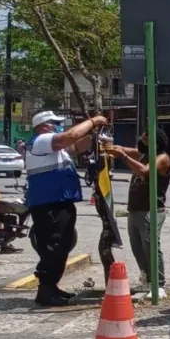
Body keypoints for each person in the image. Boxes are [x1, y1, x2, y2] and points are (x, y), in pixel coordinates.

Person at [26, 110, 107, 306]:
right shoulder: (41, 140)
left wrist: (95, 133)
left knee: (63, 244)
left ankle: (52, 287)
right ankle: (45, 291)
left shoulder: (54, 149)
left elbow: (76, 146)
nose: (59, 126)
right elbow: (69, 137)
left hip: (59, 202)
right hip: (48, 204)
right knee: (53, 246)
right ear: (45, 125)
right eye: (55, 123)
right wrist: (92, 120)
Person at [106, 129, 170, 298]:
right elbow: (122, 148)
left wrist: (124, 157)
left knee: (150, 246)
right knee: (137, 247)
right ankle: (148, 280)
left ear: (155, 143)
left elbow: (145, 171)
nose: (141, 141)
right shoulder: (142, 154)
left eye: (145, 139)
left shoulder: (161, 158)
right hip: (135, 209)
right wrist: (111, 146)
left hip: (151, 209)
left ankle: (159, 284)